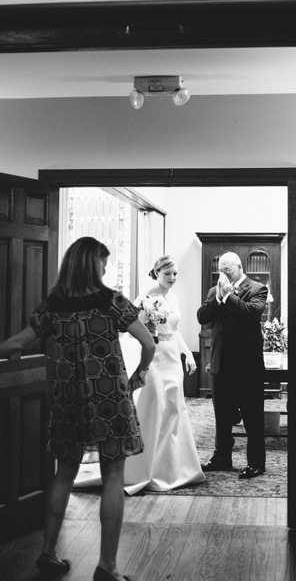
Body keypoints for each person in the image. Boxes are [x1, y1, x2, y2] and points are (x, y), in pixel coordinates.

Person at [0, 237, 156, 581]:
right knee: (113, 476)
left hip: (68, 400)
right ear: (91, 265)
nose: (105, 268)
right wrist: (139, 373)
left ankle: (48, 552)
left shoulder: (53, 306)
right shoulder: (111, 301)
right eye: (103, 262)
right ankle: (107, 567)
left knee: (63, 473)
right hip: (110, 401)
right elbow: (147, 342)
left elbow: (17, 343)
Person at [74, 255, 205, 494]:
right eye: (168, 274)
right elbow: (129, 331)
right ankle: (139, 470)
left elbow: (174, 331)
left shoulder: (173, 298)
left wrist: (189, 354)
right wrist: (150, 333)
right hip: (153, 360)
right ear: (156, 273)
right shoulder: (144, 299)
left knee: (174, 411)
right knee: (152, 408)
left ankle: (171, 469)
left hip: (173, 358)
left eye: (175, 274)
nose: (173, 278)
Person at [197, 251, 269, 479]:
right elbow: (202, 317)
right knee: (222, 416)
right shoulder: (214, 291)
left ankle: (256, 462)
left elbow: (251, 313)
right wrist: (218, 298)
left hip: (247, 367)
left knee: (252, 417)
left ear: (239, 268)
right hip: (220, 365)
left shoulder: (257, 289)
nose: (224, 275)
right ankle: (222, 457)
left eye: (227, 270)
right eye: (221, 270)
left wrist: (229, 297)